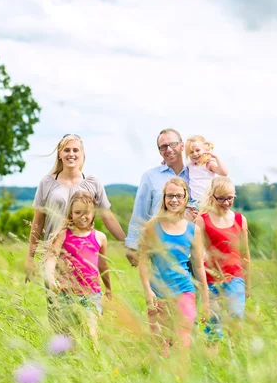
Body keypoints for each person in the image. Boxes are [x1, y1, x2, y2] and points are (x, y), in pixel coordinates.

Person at [26, 134, 129, 283]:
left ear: (82, 154)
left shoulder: (92, 183)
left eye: (75, 150)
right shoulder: (47, 182)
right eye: (67, 150)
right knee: (56, 304)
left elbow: (108, 217)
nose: (71, 154)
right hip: (53, 257)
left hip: (84, 257)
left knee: (86, 303)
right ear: (60, 154)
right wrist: (30, 258)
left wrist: (126, 245)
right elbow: (38, 222)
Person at [138, 178, 209, 356]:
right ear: (164, 198)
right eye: (170, 196)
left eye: (178, 196)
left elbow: (199, 265)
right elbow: (143, 261)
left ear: (185, 198)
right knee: (161, 348)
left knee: (182, 345)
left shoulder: (194, 230)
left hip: (184, 291)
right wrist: (148, 291)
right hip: (158, 294)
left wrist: (206, 300)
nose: (174, 200)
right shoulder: (151, 228)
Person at [45, 191, 109, 342]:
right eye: (77, 212)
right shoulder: (63, 235)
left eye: (87, 213)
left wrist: (109, 289)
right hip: (67, 295)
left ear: (93, 213)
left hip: (92, 294)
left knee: (91, 331)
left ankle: (96, 361)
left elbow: (103, 265)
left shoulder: (100, 237)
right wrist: (51, 277)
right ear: (71, 213)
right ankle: (74, 362)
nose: (83, 216)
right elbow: (51, 258)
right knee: (70, 336)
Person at [195, 176, 251, 343]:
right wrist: (204, 292)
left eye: (230, 198)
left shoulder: (240, 220)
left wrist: (247, 284)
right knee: (213, 326)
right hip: (212, 280)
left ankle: (236, 360)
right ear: (212, 197)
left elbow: (245, 253)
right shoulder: (202, 220)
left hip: (235, 277)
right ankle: (212, 363)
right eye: (221, 199)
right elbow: (198, 257)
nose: (226, 203)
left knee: (235, 317)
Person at [125, 128, 191, 264]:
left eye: (173, 144)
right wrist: (132, 245)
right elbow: (140, 212)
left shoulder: (196, 175)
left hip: (192, 248)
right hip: (160, 249)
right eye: (163, 147)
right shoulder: (151, 177)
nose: (169, 149)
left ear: (182, 145)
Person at [184, 135, 228, 209]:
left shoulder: (208, 164)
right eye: (191, 152)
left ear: (205, 150)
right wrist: (166, 162)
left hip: (208, 202)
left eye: (197, 150)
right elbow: (178, 167)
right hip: (194, 202)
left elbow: (224, 173)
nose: (195, 154)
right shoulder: (190, 165)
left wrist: (216, 157)